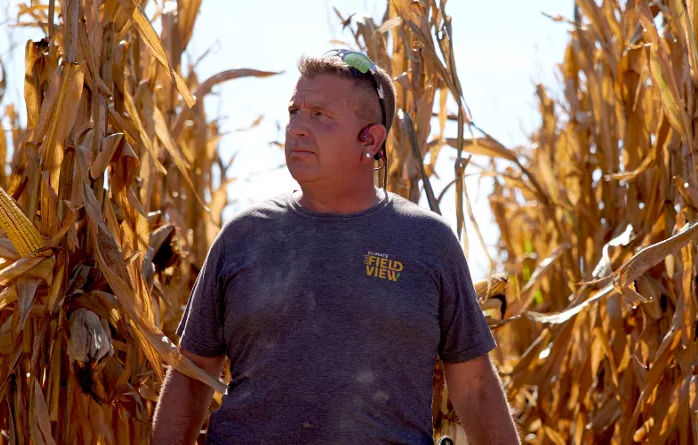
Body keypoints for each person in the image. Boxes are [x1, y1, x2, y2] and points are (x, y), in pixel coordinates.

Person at [150, 50, 519, 445]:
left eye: (320, 115)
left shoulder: (428, 242)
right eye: (295, 112)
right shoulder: (244, 237)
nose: (297, 129)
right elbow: (190, 377)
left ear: (371, 139)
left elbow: (475, 387)